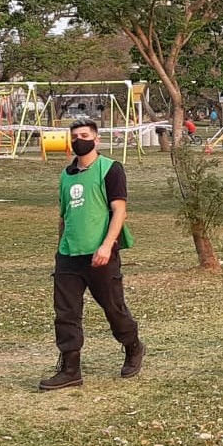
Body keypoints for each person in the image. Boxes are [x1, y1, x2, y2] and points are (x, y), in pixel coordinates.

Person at [39, 119, 145, 391]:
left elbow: (119, 210)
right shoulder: (66, 175)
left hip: (100, 253)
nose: (78, 139)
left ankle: (132, 346)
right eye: (74, 136)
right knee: (66, 313)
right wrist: (60, 245)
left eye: (84, 135)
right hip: (68, 255)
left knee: (113, 308)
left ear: (96, 139)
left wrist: (107, 245)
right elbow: (63, 215)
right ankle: (70, 368)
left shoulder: (110, 169)